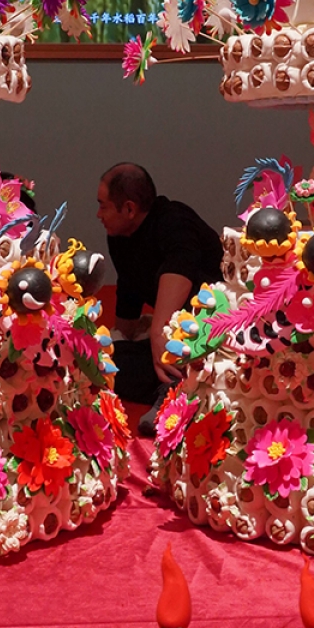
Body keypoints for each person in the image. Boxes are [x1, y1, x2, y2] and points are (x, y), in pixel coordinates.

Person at [96, 162, 223, 436]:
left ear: (129, 209)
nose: (98, 215)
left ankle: (175, 395)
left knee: (190, 357)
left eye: (103, 206)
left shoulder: (174, 220)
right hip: (169, 341)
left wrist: (157, 331)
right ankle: (173, 385)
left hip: (213, 333)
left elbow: (180, 269)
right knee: (102, 362)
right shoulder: (119, 238)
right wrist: (116, 341)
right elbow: (128, 290)